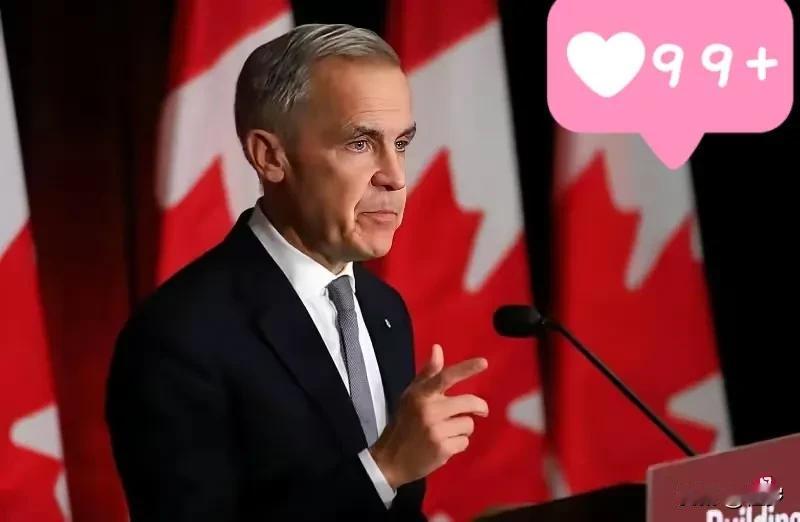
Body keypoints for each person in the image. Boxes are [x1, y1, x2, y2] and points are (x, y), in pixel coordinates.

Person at [105, 23, 489, 521]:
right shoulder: (178, 336)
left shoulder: (383, 309)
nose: (395, 177)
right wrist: (384, 468)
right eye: (360, 143)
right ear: (270, 157)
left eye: (401, 143)